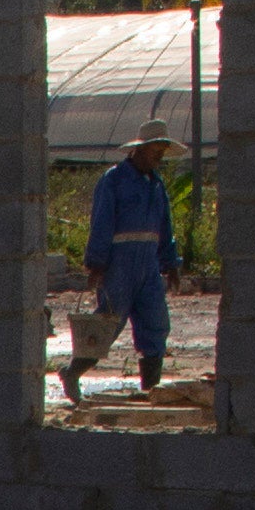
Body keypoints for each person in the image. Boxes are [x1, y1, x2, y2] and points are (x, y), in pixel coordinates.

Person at [82, 118, 181, 393]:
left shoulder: (156, 185)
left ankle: (151, 389)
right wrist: (97, 263)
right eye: (155, 153)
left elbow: (165, 226)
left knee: (156, 323)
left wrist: (171, 264)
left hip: (148, 264)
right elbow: (102, 222)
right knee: (109, 322)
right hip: (119, 265)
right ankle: (72, 371)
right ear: (140, 149)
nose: (159, 158)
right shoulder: (113, 180)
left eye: (162, 154)